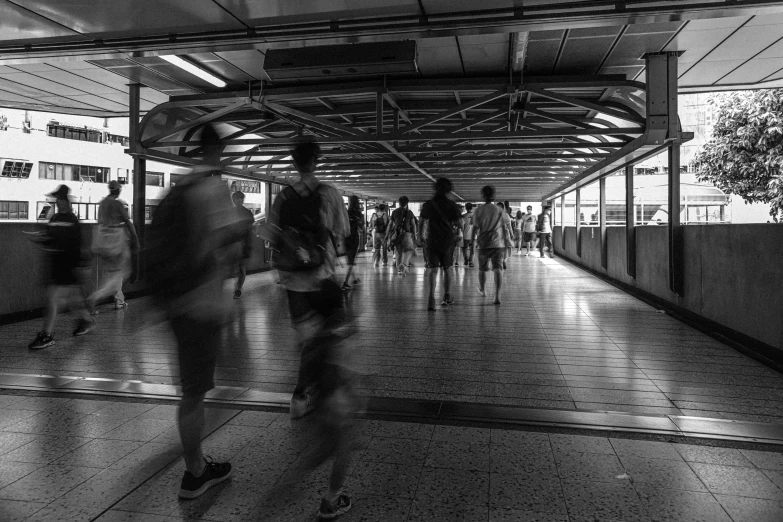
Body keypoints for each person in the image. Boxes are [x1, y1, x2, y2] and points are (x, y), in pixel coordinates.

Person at [145, 124, 244, 500]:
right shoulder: (213, 189)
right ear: (218, 151)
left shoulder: (177, 190)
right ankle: (195, 472)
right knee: (194, 393)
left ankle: (196, 465)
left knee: (190, 389)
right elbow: (229, 238)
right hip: (201, 304)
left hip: (174, 301)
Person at [267, 138, 355, 520]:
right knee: (327, 333)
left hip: (291, 278)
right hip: (321, 277)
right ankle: (321, 392)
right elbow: (343, 232)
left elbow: (271, 234)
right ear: (316, 161)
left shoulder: (283, 196)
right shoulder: (329, 193)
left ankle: (300, 395)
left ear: (292, 160)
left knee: (304, 334)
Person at [27, 185, 95, 349]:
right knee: (72, 298)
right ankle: (86, 321)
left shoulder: (72, 220)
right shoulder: (55, 218)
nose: (56, 201)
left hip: (66, 265)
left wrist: (80, 265)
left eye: (58, 198)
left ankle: (47, 335)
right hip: (57, 264)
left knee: (52, 298)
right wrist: (39, 238)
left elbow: (76, 245)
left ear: (65, 200)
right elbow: (49, 237)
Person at [86, 180, 139, 314]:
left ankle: (118, 300)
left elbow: (99, 223)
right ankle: (95, 297)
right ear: (118, 191)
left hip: (102, 243)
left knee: (111, 274)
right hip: (116, 242)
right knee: (122, 273)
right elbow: (128, 222)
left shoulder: (102, 204)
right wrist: (135, 239)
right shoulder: (117, 204)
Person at [420, 177, 461, 310]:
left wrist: (420, 237)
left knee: (432, 269)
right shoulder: (452, 205)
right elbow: (460, 223)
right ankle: (446, 296)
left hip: (432, 240)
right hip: (448, 241)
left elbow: (422, 222)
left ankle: (431, 298)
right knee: (448, 268)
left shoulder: (428, 204)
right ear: (449, 190)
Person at [471, 186, 507, 305]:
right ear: (493, 195)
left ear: (483, 195)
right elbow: (505, 227)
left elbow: (475, 228)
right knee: (498, 269)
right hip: (498, 243)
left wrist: (472, 242)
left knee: (482, 269)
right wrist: (507, 242)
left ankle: (483, 290)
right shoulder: (499, 210)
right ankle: (497, 296)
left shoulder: (479, 210)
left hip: (483, 243)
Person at [231, 191, 255, 299]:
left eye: (240, 198)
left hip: (242, 244)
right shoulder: (246, 213)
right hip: (236, 244)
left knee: (241, 267)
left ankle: (238, 289)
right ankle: (237, 288)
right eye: (237, 198)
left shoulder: (244, 213)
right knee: (240, 267)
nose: (239, 201)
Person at [385, 195, 417, 276]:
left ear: (399, 203)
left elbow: (390, 224)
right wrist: (415, 235)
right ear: (407, 203)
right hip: (407, 234)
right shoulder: (410, 213)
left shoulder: (394, 212)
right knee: (409, 250)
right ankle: (404, 264)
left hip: (397, 234)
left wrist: (387, 235)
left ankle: (400, 271)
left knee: (398, 252)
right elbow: (413, 225)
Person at [342, 195, 364, 290]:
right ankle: (345, 282)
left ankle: (354, 279)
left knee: (350, 260)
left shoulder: (345, 213)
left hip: (345, 238)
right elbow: (362, 229)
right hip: (354, 238)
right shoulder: (359, 215)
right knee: (351, 261)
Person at [497, 202, 514, 270]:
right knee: (506, 249)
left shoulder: (494, 215)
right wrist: (512, 234)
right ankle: (504, 260)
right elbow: (509, 227)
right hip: (506, 233)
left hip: (497, 234)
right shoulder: (506, 215)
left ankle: (500, 261)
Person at [462, 202, 475, 267]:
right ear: (472, 208)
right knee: (472, 250)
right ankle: (471, 262)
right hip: (473, 236)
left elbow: (462, 226)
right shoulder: (475, 216)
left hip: (465, 235)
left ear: (466, 208)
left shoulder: (463, 216)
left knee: (464, 249)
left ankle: (466, 260)